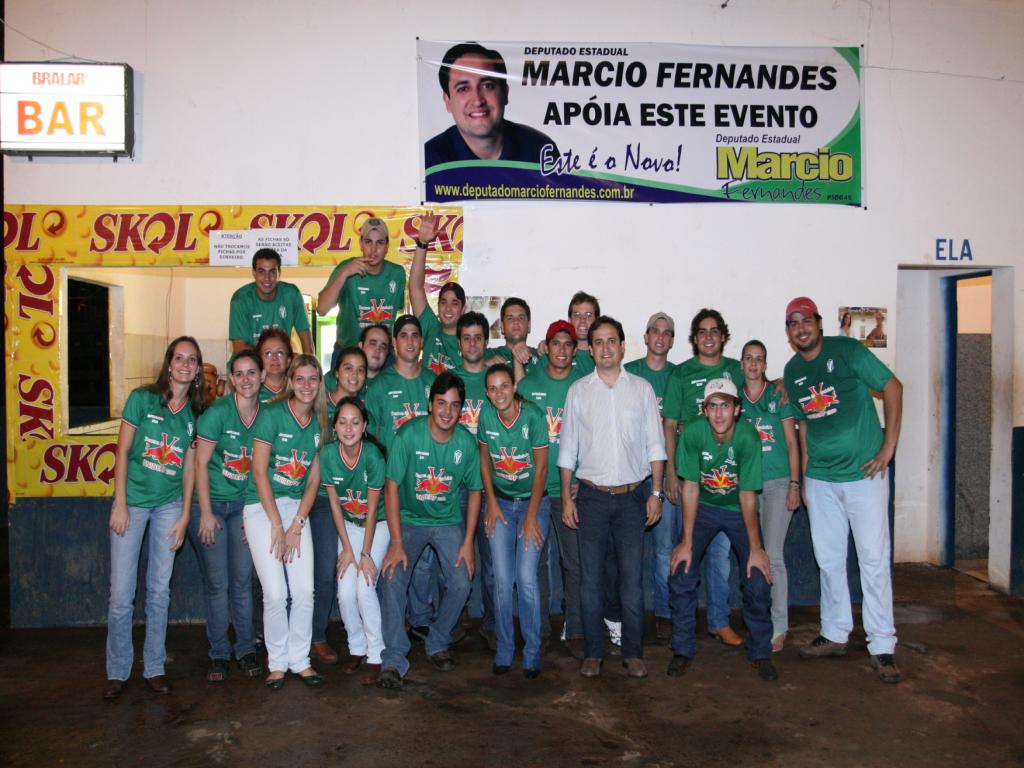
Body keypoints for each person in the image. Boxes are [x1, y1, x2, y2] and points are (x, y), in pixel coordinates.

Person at [783, 297, 903, 683]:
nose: (801, 328)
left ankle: (882, 645)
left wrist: (889, 447)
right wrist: (800, 481)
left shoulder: (848, 350)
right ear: (788, 332)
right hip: (820, 481)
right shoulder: (791, 370)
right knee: (829, 560)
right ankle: (834, 633)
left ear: (819, 323)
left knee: (872, 560)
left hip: (864, 477)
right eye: (793, 323)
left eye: (806, 320)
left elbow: (893, 387)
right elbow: (801, 429)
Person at [558, 316, 666, 679]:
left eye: (612, 341)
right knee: (590, 580)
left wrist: (655, 493)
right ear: (591, 349)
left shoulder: (642, 390)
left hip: (634, 498)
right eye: (599, 341)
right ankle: (593, 652)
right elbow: (567, 449)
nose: (605, 347)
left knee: (631, 580)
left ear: (623, 346)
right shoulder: (578, 391)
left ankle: (633, 653)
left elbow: (656, 445)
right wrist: (567, 499)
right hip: (590, 498)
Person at [104, 336, 204, 699]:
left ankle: (154, 666)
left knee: (159, 590)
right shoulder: (141, 399)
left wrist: (184, 515)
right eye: (179, 358)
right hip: (131, 504)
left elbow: (191, 469)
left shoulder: (195, 414)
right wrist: (119, 504)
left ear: (197, 371)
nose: (185, 364)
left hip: (168, 506)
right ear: (168, 363)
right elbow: (122, 451)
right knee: (121, 595)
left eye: (192, 360)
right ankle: (117, 670)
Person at [377, 373, 483, 689]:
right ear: (430, 405)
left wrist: (467, 542)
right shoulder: (407, 435)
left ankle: (437, 640)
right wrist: (396, 542)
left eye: (454, 405)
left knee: (462, 580)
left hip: (448, 521)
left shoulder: (465, 442)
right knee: (393, 577)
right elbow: (391, 487)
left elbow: (476, 490)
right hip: (409, 520)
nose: (447, 412)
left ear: (461, 410)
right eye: (441, 404)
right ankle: (395, 658)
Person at [667, 378, 777, 681]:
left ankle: (760, 652)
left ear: (737, 409)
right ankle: (682, 650)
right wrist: (687, 541)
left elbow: (747, 495)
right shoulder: (692, 432)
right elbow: (690, 487)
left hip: (736, 510)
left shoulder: (747, 438)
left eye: (725, 406)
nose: (718, 414)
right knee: (683, 570)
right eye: (712, 406)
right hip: (702, 508)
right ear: (704, 410)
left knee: (757, 578)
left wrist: (756, 549)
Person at [244, 354, 328, 689]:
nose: (307, 386)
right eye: (301, 379)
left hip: (296, 509)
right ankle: (277, 663)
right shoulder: (272, 415)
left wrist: (296, 524)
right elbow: (259, 472)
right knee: (276, 593)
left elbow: (313, 482)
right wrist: (278, 525)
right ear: (291, 381)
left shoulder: (322, 422)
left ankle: (300, 660)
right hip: (261, 508)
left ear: (320, 383)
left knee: (305, 590)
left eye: (313, 379)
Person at [661, 309, 742, 647]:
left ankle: (719, 621)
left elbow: (759, 393)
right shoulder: (680, 374)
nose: (708, 336)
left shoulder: (736, 370)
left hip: (725, 485)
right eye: (702, 331)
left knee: (720, 556)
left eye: (714, 331)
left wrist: (777, 385)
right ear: (694, 338)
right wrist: (670, 474)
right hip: (689, 479)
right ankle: (679, 623)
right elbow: (669, 425)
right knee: (685, 551)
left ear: (723, 335)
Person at [188, 349, 265, 683]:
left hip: (245, 509)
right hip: (213, 506)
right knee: (218, 583)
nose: (246, 379)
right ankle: (219, 652)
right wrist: (204, 513)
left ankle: (246, 648)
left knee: (243, 581)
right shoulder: (217, 413)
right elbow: (199, 463)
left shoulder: (269, 416)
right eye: (239, 374)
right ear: (230, 380)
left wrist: (256, 516)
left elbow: (266, 472)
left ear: (262, 376)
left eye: (252, 372)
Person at [478, 364, 550, 677]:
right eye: (492, 388)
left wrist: (532, 516)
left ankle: (532, 652)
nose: (499, 394)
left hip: (534, 504)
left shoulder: (533, 416)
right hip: (501, 504)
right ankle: (506, 649)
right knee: (503, 582)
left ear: (513, 386)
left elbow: (541, 469)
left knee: (528, 580)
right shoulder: (485, 416)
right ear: (487, 393)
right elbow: (483, 461)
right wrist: (491, 504)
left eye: (503, 386)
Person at [519, 320, 585, 658]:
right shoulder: (529, 386)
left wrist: (582, 479)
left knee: (573, 563)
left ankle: (574, 628)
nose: (561, 349)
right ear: (546, 346)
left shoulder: (583, 384)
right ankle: (539, 628)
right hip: (536, 492)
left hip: (571, 492)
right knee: (536, 565)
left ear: (575, 350)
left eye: (567, 344)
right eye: (555, 343)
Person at [320, 396, 389, 686]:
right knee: (345, 591)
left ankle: (376, 653)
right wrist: (347, 548)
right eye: (343, 422)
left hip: (377, 527)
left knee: (364, 587)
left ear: (364, 426)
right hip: (348, 527)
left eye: (355, 422)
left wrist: (364, 554)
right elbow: (335, 506)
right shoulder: (327, 455)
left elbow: (373, 509)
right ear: (334, 426)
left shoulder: (372, 456)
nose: (349, 428)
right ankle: (357, 647)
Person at [309, 346, 370, 666]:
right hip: (319, 499)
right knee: (324, 570)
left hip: (354, 501)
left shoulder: (365, 407)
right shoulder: (319, 402)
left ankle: (363, 639)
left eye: (361, 369)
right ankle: (316, 635)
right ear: (336, 372)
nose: (355, 375)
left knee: (356, 573)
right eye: (348, 368)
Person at [740, 340, 801, 652]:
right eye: (748, 359)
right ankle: (757, 619)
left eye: (759, 359)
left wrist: (795, 484)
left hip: (777, 484)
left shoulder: (779, 395)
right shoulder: (734, 397)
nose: (753, 364)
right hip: (746, 488)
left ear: (765, 364)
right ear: (741, 363)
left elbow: (792, 442)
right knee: (752, 554)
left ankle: (779, 624)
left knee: (773, 554)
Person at [624, 312, 679, 640]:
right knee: (627, 551)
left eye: (667, 333)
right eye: (655, 331)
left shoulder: (679, 376)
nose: (660, 337)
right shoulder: (628, 372)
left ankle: (664, 612)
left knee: (663, 548)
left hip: (664, 475)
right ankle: (623, 615)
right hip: (630, 474)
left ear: (672, 340)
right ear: (645, 336)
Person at [424, 42, 558, 167]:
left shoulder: (541, 149)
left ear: (505, 93)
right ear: (447, 101)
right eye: (463, 89)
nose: (477, 100)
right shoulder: (429, 159)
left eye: (487, 86)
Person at [317, 217, 406, 369]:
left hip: (383, 355)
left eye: (379, 242)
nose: (373, 249)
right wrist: (344, 274)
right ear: (361, 244)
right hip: (347, 352)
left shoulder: (397, 273)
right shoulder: (346, 268)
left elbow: (398, 310)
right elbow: (322, 309)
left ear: (386, 247)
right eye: (368, 242)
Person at [364, 315, 436, 450]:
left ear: (421, 342)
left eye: (414, 335)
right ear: (394, 342)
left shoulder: (434, 382)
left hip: (425, 467)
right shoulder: (379, 386)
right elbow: (370, 438)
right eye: (403, 335)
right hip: (389, 467)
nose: (410, 341)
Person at [229, 248, 312, 354]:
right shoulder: (240, 300)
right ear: (254, 273)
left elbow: (306, 340)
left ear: (279, 273)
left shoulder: (291, 294)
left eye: (272, 272)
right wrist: (276, 355)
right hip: (250, 364)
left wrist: (307, 365)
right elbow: (239, 349)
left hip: (281, 363)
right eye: (261, 271)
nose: (267, 278)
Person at [410, 213, 465, 374]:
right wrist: (422, 243)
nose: (448, 308)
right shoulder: (431, 327)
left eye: (454, 303)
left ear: (463, 309)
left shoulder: (469, 340)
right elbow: (415, 287)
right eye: (443, 302)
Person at [485, 297, 538, 369]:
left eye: (521, 318)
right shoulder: (488, 355)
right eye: (510, 318)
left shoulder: (540, 356)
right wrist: (484, 367)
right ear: (502, 326)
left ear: (529, 325)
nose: (516, 321)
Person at [256, 328, 293, 403]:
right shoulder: (253, 392)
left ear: (288, 361)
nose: (274, 358)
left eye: (280, 353)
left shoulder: (297, 390)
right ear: (259, 360)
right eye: (268, 353)